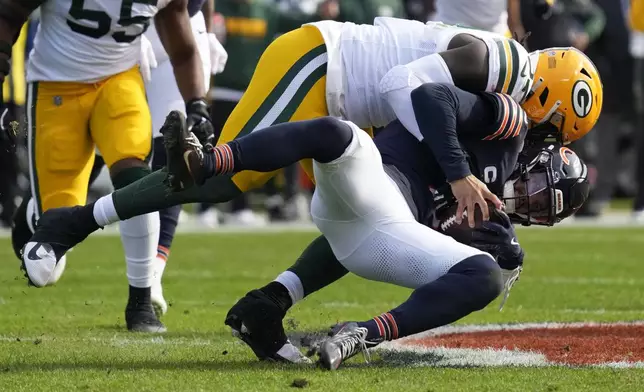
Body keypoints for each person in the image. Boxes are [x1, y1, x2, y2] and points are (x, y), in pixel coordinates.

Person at [19, 17, 602, 245]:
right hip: (324, 66)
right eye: (551, 128)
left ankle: (273, 301)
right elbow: (409, 86)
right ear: (551, 94)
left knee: (354, 215)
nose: (538, 139)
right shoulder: (499, 63)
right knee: (223, 180)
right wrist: (456, 174)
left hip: (341, 90)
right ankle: (74, 221)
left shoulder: (505, 72)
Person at [220, 84, 590, 364]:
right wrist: (459, 173)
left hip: (381, 234)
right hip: (373, 185)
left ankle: (355, 330)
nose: (528, 200)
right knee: (333, 133)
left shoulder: (498, 234)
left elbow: (459, 274)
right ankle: (210, 161)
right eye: (538, 186)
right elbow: (430, 97)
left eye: (541, 208)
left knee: (486, 275)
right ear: (534, 158)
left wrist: (495, 251)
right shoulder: (501, 130)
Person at [0, 0, 214, 333]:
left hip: (120, 79)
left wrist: (197, 104)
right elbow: (8, 14)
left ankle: (141, 301)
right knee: (45, 267)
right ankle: (35, 214)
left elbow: (183, 47)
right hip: (57, 86)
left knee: (137, 178)